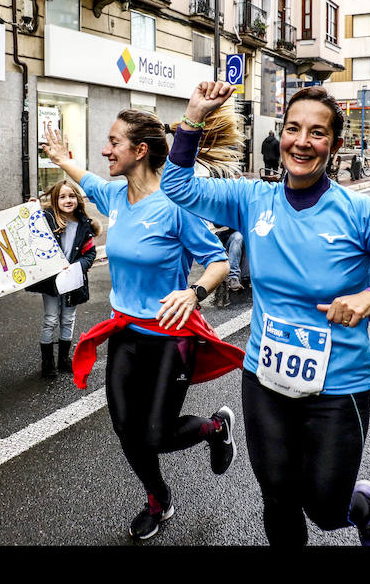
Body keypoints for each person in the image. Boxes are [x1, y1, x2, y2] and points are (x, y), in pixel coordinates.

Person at [161, 82, 370, 547]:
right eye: (292, 129)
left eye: (317, 132)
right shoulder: (252, 200)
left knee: (326, 509)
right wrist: (193, 119)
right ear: (282, 134)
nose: (302, 142)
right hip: (265, 379)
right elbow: (177, 185)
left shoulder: (360, 213)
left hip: (339, 386)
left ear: (335, 144)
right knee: (278, 497)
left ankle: (362, 505)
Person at [42, 108, 244, 541]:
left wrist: (194, 293)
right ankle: (158, 500)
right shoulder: (116, 195)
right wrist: (60, 159)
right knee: (125, 429)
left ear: (140, 150)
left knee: (155, 435)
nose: (105, 150)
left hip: (171, 337)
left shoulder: (176, 205)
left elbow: (218, 261)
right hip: (126, 333)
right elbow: (87, 179)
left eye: (113, 142)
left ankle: (215, 428)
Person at [25, 180, 102, 378]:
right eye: (62, 197)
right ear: (55, 200)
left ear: (78, 199)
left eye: (72, 196)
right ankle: (48, 362)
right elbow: (29, 232)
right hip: (51, 281)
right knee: (50, 319)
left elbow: (90, 254)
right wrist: (32, 210)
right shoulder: (47, 220)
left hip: (73, 280)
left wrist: (78, 266)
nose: (68, 200)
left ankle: (64, 359)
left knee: (68, 318)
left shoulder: (85, 225)